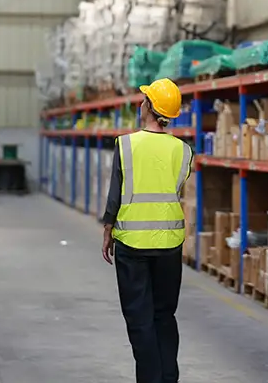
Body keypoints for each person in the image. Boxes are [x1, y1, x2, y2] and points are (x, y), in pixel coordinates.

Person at [100, 78, 194, 383]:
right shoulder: (183, 151)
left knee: (140, 321)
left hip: (132, 244)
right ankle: (168, 378)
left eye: (144, 99)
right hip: (169, 244)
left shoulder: (126, 145)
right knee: (164, 316)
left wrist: (107, 230)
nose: (141, 103)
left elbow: (116, 194)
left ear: (149, 107)